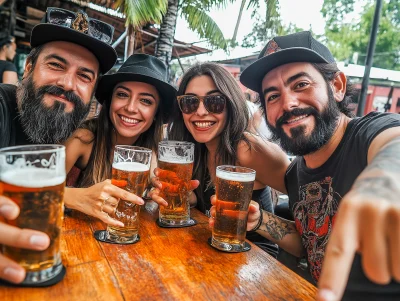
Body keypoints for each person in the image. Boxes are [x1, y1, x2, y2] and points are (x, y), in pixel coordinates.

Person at [208, 31, 400, 301]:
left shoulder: (367, 136)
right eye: (273, 96)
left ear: (337, 86)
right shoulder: (297, 174)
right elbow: (307, 244)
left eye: (300, 84)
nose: (288, 104)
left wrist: (385, 181)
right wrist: (261, 220)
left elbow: (394, 143)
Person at [0, 7, 129, 284]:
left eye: (84, 76)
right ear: (29, 67)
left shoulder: (61, 127)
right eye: (56, 65)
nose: (67, 84)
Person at [151, 62, 289, 257]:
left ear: (231, 104)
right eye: (190, 102)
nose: (200, 112)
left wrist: (260, 220)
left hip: (255, 261)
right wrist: (188, 199)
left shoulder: (247, 148)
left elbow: (309, 220)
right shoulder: (196, 150)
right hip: (209, 252)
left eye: (214, 101)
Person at [64, 54, 176, 225]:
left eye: (145, 101)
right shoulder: (83, 139)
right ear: (109, 102)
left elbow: (173, 197)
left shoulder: (155, 151)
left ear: (155, 114)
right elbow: (35, 188)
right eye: (122, 94)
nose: (130, 108)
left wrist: (180, 194)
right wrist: (76, 197)